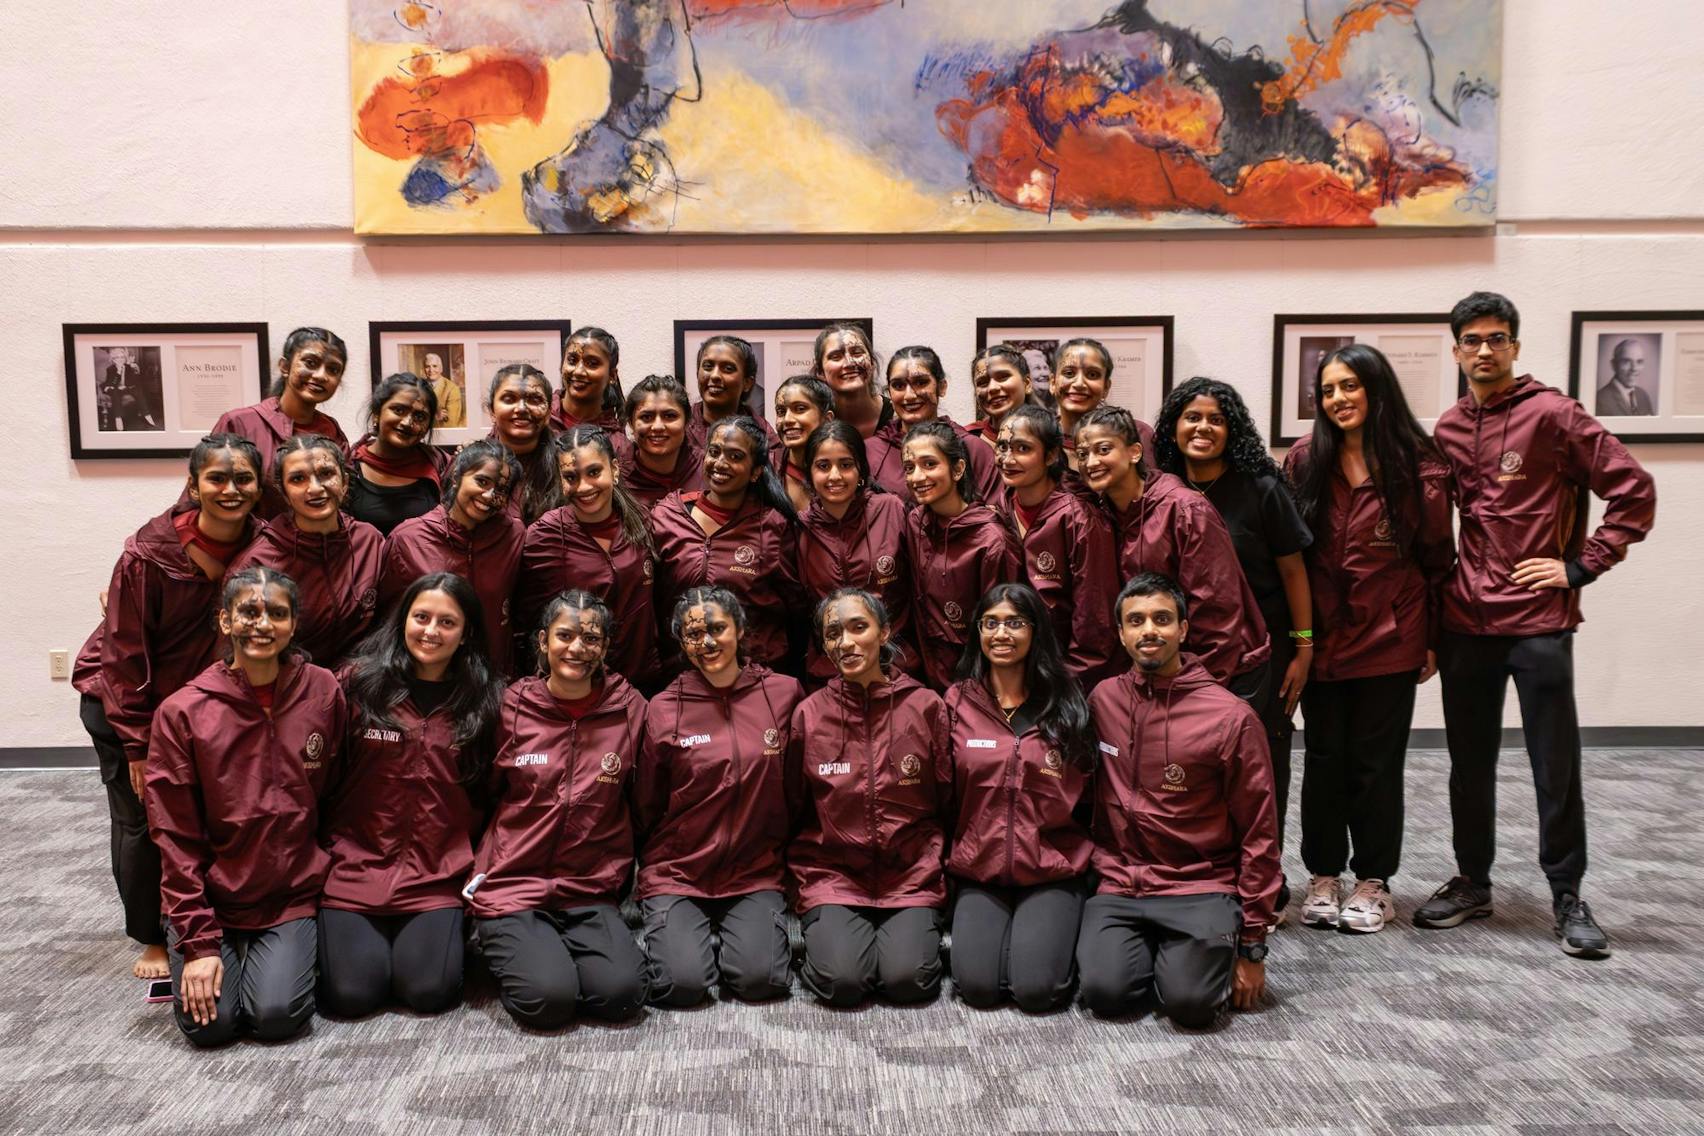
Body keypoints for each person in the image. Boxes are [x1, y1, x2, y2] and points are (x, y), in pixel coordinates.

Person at [1415, 291, 1656, 958]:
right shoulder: (1449, 427)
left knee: (1555, 765)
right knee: (1469, 764)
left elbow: (1634, 489)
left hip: (1538, 622)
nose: (1484, 350)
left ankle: (1568, 895)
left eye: (1497, 338)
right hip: (1466, 622)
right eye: (1472, 340)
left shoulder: (1554, 414)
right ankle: (1473, 881)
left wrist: (1580, 566)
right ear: (1456, 350)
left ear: (1514, 346)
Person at [72, 433, 265, 981]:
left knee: (195, 815)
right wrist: (138, 744)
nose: (231, 489)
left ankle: (195, 916)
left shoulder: (263, 543)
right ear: (194, 486)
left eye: (243, 479)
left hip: (194, 708)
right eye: (217, 479)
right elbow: (125, 654)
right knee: (141, 820)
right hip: (124, 703)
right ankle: (152, 936)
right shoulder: (147, 554)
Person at [1283, 344, 1455, 933]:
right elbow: (1291, 556)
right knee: (1324, 759)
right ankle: (1324, 874)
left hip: (1391, 638)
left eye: (1350, 386)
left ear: (1376, 389)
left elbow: (1437, 558)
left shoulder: (1418, 464)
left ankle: (1375, 880)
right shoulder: (1304, 460)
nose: (1338, 398)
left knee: (1376, 764)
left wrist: (1432, 636)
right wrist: (1298, 639)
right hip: (1323, 640)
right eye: (1329, 390)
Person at [146, 567, 347, 1047]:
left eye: (277, 613)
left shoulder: (323, 691)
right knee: (211, 1027)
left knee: (276, 1017)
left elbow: (337, 790)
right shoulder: (182, 711)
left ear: (293, 625)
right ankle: (212, 950)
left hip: (289, 896)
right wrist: (197, 944)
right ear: (225, 621)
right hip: (212, 899)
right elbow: (174, 837)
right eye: (249, 611)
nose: (262, 624)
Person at [1077, 573, 1280, 1026]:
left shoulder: (1230, 718)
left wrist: (1253, 944)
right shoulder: (1103, 700)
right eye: (1136, 621)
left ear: (1183, 630)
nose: (1149, 630)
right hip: (1121, 883)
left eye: (1162, 619)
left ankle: (1196, 953)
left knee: (1191, 1006)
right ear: (1121, 634)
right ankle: (1159, 955)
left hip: (1198, 885)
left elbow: (1260, 831)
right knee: (1105, 994)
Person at [1155, 377, 1312, 914]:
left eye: (1216, 419)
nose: (1203, 428)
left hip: (1260, 654)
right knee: (1195, 767)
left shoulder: (1260, 487)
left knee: (1260, 765)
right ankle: (1210, 875)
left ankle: (1265, 880)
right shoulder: (1162, 487)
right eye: (1192, 417)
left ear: (1233, 429)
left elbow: (1293, 571)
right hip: (1183, 656)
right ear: (1173, 426)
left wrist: (1304, 648)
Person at [466, 590, 649, 1029]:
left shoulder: (631, 710)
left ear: (605, 647)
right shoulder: (509, 706)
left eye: (591, 639)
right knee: (547, 1002)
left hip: (588, 886)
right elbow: (484, 793)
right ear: (543, 641)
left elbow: (643, 801)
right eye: (565, 636)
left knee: (622, 996)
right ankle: (516, 947)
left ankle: (556, 953)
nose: (577, 648)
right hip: (514, 883)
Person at [320, 573, 501, 1016]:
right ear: (403, 620)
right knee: (352, 996)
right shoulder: (357, 685)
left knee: (428, 992)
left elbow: (496, 796)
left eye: (447, 622)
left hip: (436, 875)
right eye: (421, 617)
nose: (431, 631)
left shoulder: (486, 702)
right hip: (355, 868)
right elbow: (320, 777)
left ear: (466, 634)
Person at [635, 588, 803, 1006]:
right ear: (682, 641)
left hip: (753, 871)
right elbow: (647, 801)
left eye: (717, 629)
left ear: (740, 629)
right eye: (694, 634)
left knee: (762, 981)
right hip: (679, 871)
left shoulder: (784, 694)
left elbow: (797, 787)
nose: (707, 642)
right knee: (682, 986)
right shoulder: (663, 707)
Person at [787, 589, 949, 1007]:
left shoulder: (926, 707)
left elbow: (947, 798)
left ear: (884, 632)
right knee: (843, 983)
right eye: (833, 633)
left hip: (910, 876)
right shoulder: (809, 714)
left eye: (859, 627)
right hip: (833, 877)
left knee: (908, 982)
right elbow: (795, 804)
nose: (846, 642)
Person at [943, 583, 1095, 1012]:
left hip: (1051, 869)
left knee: (1037, 992)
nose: (1001, 634)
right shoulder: (958, 701)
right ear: (978, 631)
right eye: (990, 623)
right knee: (978, 989)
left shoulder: (1068, 704)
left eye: (1014, 623)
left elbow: (1091, 799)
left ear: (1035, 630)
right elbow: (943, 795)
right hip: (980, 869)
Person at [1075, 404, 1270, 686]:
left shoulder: (1185, 510)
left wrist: (1199, 687)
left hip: (1227, 670)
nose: (1091, 462)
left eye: (1103, 450)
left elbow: (1217, 611)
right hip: (1161, 668)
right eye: (1083, 454)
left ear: (1134, 452)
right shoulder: (1103, 514)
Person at [651, 417, 801, 675]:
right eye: (714, 452)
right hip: (682, 673)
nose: (720, 463)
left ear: (755, 472)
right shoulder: (667, 516)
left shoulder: (773, 526)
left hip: (752, 674)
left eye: (735, 456)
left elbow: (795, 608)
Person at [516, 427, 660, 690]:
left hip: (642, 682)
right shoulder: (545, 536)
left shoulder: (642, 521)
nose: (583, 487)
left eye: (594, 472)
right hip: (578, 687)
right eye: (571, 477)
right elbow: (528, 622)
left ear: (614, 469)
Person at [229, 435, 385, 669]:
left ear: (344, 481)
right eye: (298, 479)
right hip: (291, 683)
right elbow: (242, 657)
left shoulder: (370, 541)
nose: (315, 488)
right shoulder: (257, 563)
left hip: (363, 678)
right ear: (283, 492)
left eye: (326, 474)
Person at [994, 405, 1120, 687]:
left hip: (1069, 674)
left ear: (1051, 455)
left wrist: (1069, 682)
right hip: (1012, 666)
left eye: (1022, 448)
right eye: (1002, 447)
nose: (1007, 459)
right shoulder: (999, 508)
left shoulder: (1080, 518)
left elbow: (1094, 619)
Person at [381, 440, 524, 675]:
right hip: (424, 675)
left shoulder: (513, 536)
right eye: (482, 481)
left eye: (501, 489)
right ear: (457, 476)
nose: (489, 495)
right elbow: (388, 618)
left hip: (491, 676)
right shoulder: (409, 539)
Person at [900, 420, 1021, 691]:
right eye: (909, 468)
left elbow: (1002, 624)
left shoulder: (991, 540)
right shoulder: (916, 522)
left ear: (957, 469)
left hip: (978, 679)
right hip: (927, 674)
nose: (917, 477)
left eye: (929, 464)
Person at [795, 420, 916, 684]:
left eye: (845, 465)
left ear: (861, 468)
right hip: (830, 672)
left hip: (895, 665)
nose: (835, 476)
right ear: (809, 473)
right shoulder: (800, 528)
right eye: (823, 466)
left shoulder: (891, 509)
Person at [212, 327, 350, 517]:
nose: (321, 375)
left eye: (333, 369)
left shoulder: (332, 432)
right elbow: (204, 495)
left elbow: (342, 503)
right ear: (285, 366)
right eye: (310, 363)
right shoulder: (239, 424)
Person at [866, 347, 999, 500]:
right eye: (898, 385)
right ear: (889, 392)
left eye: (921, 382)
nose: (909, 396)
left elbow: (995, 510)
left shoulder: (973, 449)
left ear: (942, 387)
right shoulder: (869, 452)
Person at [1048, 337, 1155, 496]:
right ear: (1052, 382)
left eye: (1092, 374)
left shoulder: (1138, 433)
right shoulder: (1042, 438)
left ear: (1106, 387)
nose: (1079, 383)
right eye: (1069, 373)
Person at [344, 372, 445, 536]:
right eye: (398, 410)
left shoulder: (441, 467)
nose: (407, 422)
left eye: (419, 416)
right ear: (377, 413)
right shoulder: (348, 469)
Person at [485, 363, 556, 525]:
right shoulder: (469, 465)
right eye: (509, 399)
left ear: (548, 414)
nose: (522, 408)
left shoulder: (566, 467)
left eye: (535, 400)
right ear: (492, 411)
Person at [620, 374, 702, 509]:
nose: (657, 427)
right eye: (646, 417)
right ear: (631, 423)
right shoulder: (618, 481)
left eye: (670, 416)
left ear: (687, 421)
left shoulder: (706, 469)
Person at [690, 334, 782, 451]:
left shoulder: (765, 440)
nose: (715, 375)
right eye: (708, 366)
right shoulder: (678, 427)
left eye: (728, 369)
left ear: (747, 382)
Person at [549, 327, 629, 456]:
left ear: (612, 375)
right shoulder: (540, 417)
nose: (579, 371)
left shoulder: (618, 444)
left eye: (592, 363)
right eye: (572, 361)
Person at [812, 322, 890, 439]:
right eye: (836, 357)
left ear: (872, 363)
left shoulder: (898, 416)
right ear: (820, 372)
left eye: (857, 353)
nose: (849, 363)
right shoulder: (815, 423)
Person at [773, 374, 835, 513]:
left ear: (827, 419)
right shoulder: (766, 470)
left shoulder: (846, 469)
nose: (787, 419)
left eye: (800, 409)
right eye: (781, 412)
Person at [966, 344, 1032, 456]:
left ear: (1027, 384)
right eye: (982, 382)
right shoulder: (964, 441)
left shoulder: (1050, 435)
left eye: (1003, 377)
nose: (992, 388)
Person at [1595, 338, 1655, 416]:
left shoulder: (1643, 395)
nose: (1634, 368)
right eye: (1626, 361)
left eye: (1639, 362)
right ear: (1614, 364)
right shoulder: (1600, 400)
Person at [421, 352, 466, 428]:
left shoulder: (452, 389)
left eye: (435, 366)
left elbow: (451, 424)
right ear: (424, 369)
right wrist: (434, 416)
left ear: (441, 368)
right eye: (427, 366)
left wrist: (423, 415)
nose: (431, 370)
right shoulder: (418, 386)